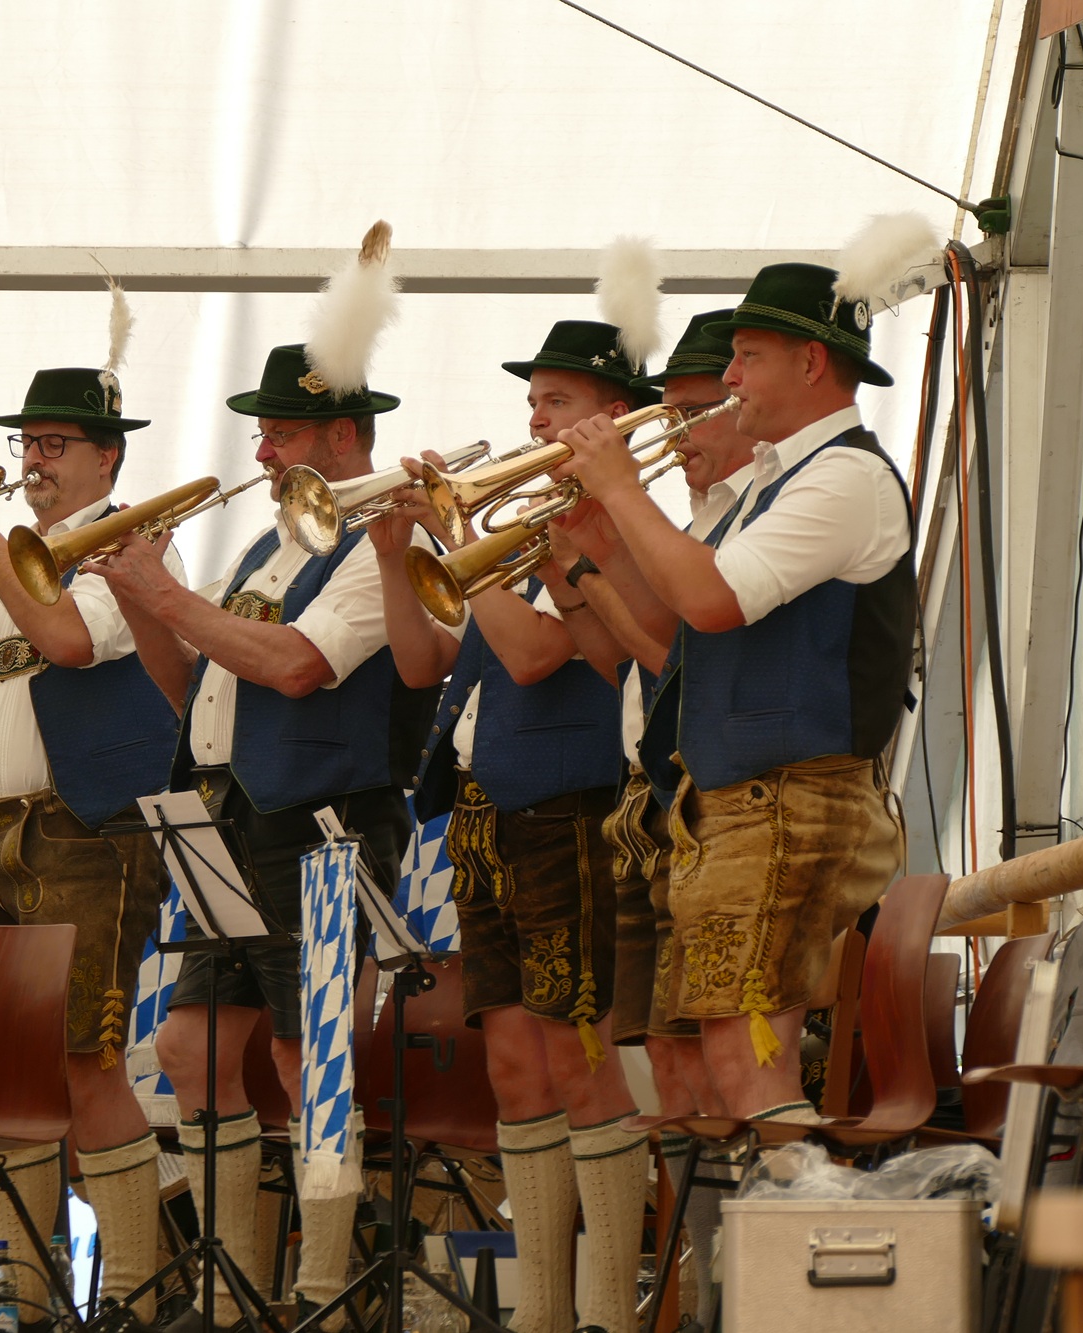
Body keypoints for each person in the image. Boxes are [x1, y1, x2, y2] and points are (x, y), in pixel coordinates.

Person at [99, 340, 440, 1330]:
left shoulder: (381, 537)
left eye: (280, 431)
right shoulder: (268, 546)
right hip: (228, 813)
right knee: (188, 1047)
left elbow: (297, 666)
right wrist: (138, 595)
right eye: (260, 432)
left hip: (322, 820)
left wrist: (169, 596)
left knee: (307, 1057)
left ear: (343, 433)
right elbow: (191, 686)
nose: (259, 451)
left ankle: (323, 1293)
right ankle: (227, 1296)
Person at [557, 263, 913, 1125]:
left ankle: (799, 1207)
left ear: (812, 363)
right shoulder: (766, 481)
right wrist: (603, 541)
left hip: (790, 798)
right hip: (739, 802)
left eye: (748, 356)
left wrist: (621, 489)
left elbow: (713, 599)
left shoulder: (844, 476)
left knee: (746, 1057)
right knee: (717, 1062)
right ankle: (764, 1212)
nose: (730, 376)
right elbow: (677, 630)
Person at [376, 319, 654, 1333]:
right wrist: (397, 553)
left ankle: (604, 1311)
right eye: (532, 401)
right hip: (487, 812)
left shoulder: (612, 531)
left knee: (579, 1058)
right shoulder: (533, 526)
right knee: (512, 1066)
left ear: (614, 417)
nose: (534, 420)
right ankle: (539, 1311)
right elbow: (426, 663)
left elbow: (537, 654)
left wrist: (461, 540)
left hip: (569, 809)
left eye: (557, 402)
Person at [0, 360, 180, 1325]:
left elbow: (68, 643)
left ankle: (131, 1294)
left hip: (83, 832)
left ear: (108, 457)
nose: (33, 460)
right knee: (11, 1069)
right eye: (28, 442)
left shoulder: (127, 545)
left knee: (88, 1061)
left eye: (55, 444)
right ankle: (24, 1296)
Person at [557, 309, 759, 1319]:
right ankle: (687, 1287)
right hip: (653, 799)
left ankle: (726, 1291)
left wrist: (589, 569)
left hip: (704, 802)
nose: (675, 436)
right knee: (654, 1056)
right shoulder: (695, 516)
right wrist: (581, 567)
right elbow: (632, 663)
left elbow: (674, 659)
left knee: (707, 1058)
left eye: (691, 412)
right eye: (668, 414)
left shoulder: (743, 517)